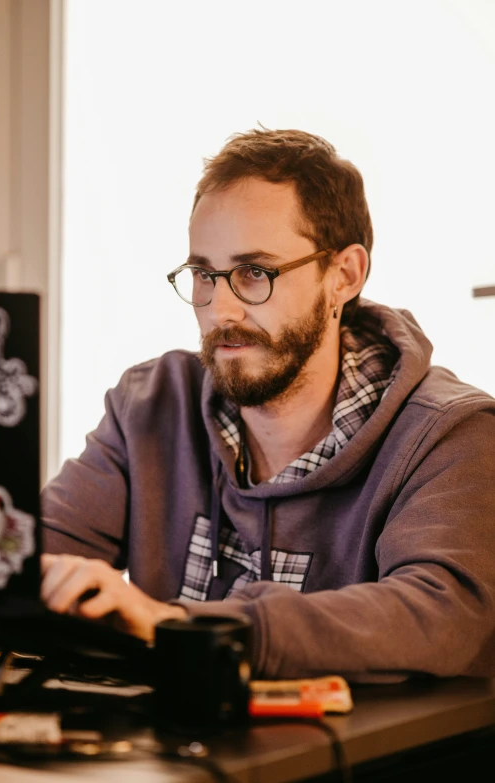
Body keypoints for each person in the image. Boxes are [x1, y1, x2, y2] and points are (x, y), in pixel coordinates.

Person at [41, 128, 495, 682]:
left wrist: (177, 624)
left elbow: (442, 617)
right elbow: (31, 555)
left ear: (344, 276)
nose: (220, 310)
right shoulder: (152, 405)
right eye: (204, 274)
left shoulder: (450, 435)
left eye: (255, 272)